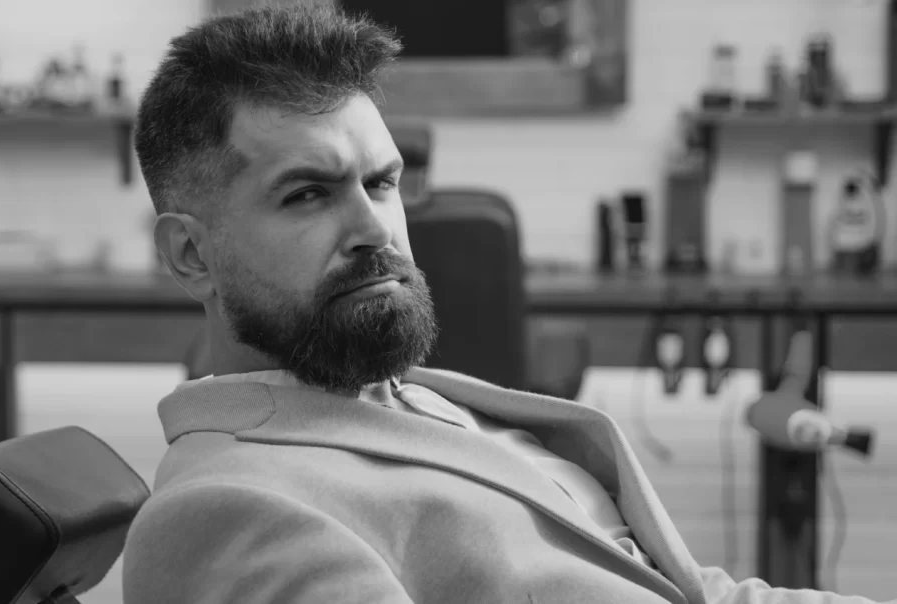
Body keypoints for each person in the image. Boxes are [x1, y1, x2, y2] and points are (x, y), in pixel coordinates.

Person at [122, 5, 888, 603]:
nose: (372, 229)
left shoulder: (413, 399)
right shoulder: (227, 508)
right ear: (191, 254)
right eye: (307, 194)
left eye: (383, 183)